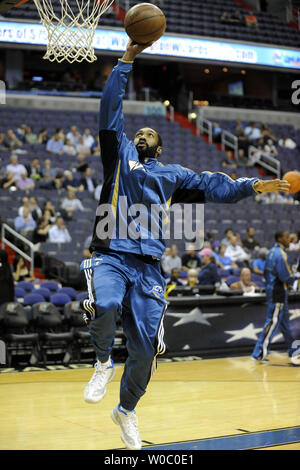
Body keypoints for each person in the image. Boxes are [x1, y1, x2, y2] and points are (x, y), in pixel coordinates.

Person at [79, 40, 290, 450]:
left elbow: (216, 185)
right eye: (136, 132)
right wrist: (126, 59)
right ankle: (102, 361)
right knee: (103, 306)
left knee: (145, 352)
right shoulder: (118, 154)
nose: (139, 134)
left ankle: (125, 411)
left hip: (149, 267)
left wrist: (255, 185)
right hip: (110, 254)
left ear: (159, 147)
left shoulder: (173, 174)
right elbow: (110, 109)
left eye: (148, 133)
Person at [252, 231, 298, 363]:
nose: (289, 239)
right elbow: (285, 276)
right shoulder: (281, 254)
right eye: (287, 237)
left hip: (272, 289)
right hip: (278, 292)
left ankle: (294, 352)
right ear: (279, 238)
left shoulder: (271, 251)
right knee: (271, 323)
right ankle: (258, 353)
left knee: (285, 325)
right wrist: (295, 282)